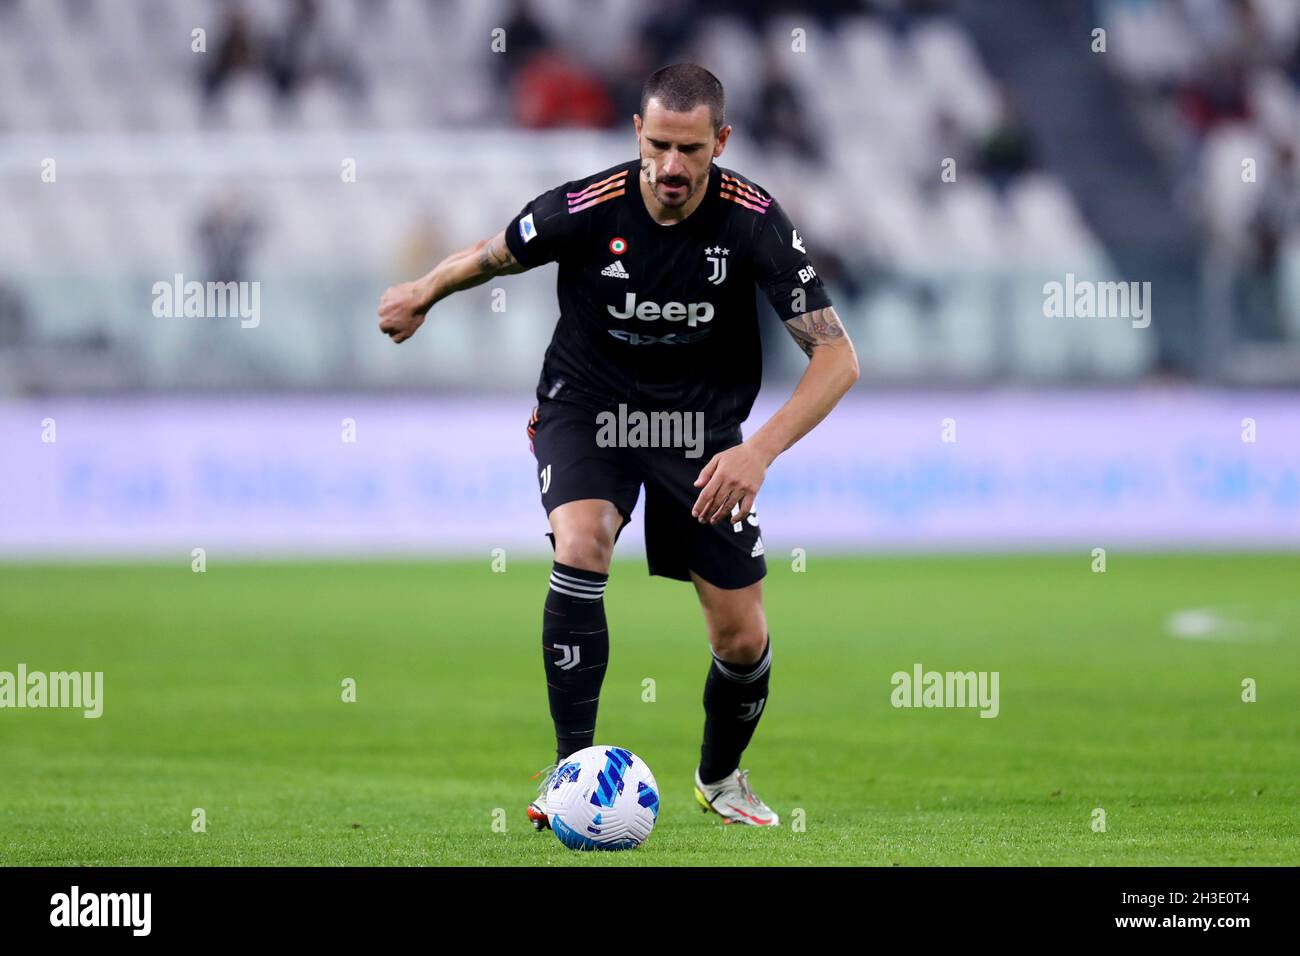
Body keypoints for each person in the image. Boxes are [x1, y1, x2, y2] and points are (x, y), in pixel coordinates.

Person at [377, 64, 859, 828]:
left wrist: (757, 452)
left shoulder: (753, 220)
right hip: (588, 409)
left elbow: (838, 358)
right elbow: (492, 253)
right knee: (583, 540)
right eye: (658, 144)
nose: (671, 166)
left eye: (691, 149)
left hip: (699, 434)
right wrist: (423, 292)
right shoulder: (585, 206)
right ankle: (569, 776)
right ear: (637, 132)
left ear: (720, 143)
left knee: (741, 635)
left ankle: (720, 777)